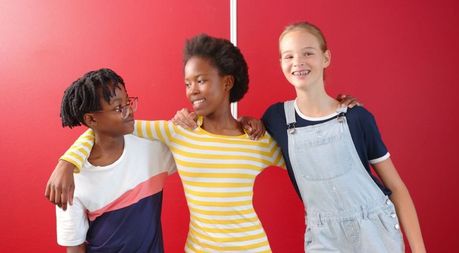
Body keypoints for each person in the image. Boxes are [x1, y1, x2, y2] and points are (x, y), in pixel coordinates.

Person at [174, 22, 427, 252]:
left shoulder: (356, 117)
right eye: (289, 56)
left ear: (325, 57)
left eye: (308, 53)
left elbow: (396, 188)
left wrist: (419, 250)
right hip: (323, 235)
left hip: (375, 229)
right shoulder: (276, 118)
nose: (298, 62)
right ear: (281, 63)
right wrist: (242, 119)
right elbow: (240, 135)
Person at [48, 35, 286, 252]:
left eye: (200, 80)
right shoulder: (178, 133)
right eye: (187, 83)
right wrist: (67, 162)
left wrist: (258, 123)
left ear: (227, 83)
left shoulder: (256, 139)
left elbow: (299, 162)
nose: (192, 90)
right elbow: (104, 130)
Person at [54, 68, 175, 253]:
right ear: (91, 119)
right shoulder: (71, 180)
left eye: (128, 102)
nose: (129, 111)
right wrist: (66, 163)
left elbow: (198, 144)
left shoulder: (152, 150)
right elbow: (75, 247)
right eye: (119, 108)